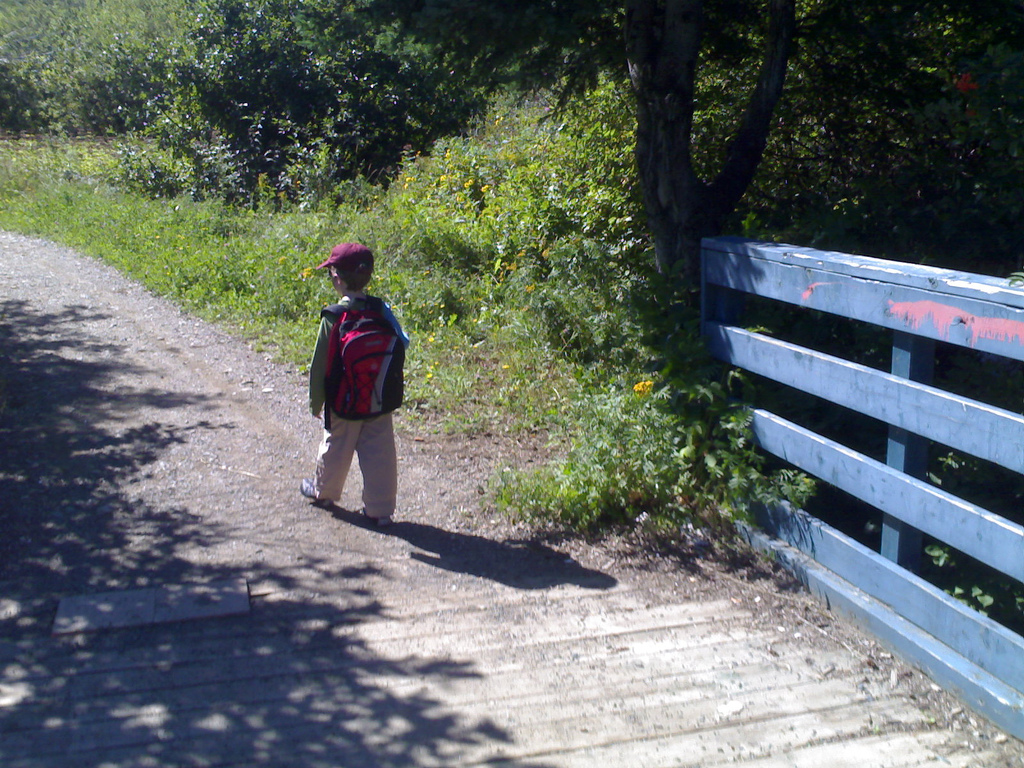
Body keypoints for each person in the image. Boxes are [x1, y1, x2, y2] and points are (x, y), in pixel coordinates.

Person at [300, 242, 409, 527]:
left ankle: (323, 492)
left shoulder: (334, 315)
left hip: (344, 400)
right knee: (380, 453)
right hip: (378, 399)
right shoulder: (381, 310)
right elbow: (402, 342)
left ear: (337, 278)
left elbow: (319, 364)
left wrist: (317, 402)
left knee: (336, 446)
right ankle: (380, 510)